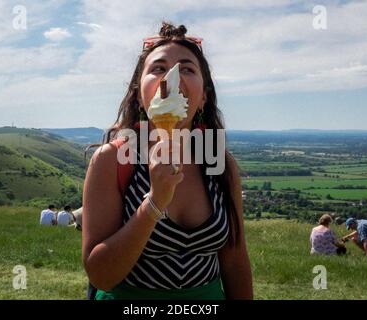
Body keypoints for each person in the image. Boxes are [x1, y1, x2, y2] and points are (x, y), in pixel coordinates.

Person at [82, 22, 253, 300]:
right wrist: (154, 203)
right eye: (158, 68)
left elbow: (234, 262)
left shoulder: (219, 164)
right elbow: (101, 275)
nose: (171, 77)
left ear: (203, 97)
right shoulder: (112, 161)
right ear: (140, 95)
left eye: (187, 68)